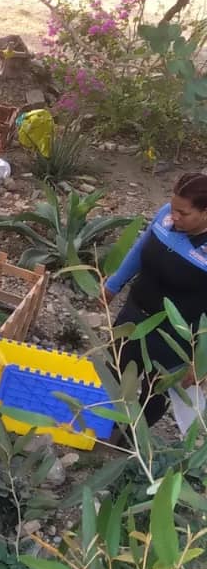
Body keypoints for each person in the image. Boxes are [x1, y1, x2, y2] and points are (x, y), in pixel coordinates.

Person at [104, 172, 207, 430]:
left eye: (183, 213)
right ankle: (101, 427)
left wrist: (202, 361)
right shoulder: (165, 216)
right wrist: (113, 285)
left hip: (174, 337)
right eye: (173, 208)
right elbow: (140, 249)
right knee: (113, 373)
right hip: (134, 317)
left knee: (154, 394)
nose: (174, 217)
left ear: (205, 213)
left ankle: (131, 442)